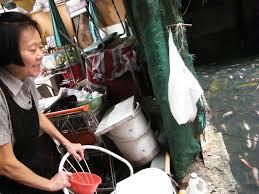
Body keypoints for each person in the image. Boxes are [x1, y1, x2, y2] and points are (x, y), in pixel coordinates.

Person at [0, 12, 84, 193]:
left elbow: (35, 114)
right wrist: (50, 185)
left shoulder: (25, 76)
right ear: (8, 54)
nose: (41, 55)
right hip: (18, 185)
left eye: (40, 46)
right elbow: (5, 163)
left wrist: (65, 142)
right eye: (32, 50)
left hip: (40, 168)